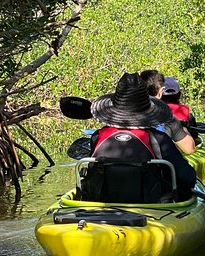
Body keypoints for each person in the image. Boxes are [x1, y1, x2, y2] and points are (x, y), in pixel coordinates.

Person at [82, 72, 197, 202]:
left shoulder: (97, 136)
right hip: (149, 205)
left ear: (114, 108)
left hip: (102, 204)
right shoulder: (159, 139)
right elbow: (187, 178)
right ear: (147, 111)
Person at [140, 70, 196, 154]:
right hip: (159, 162)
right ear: (160, 92)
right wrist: (184, 129)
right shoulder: (168, 118)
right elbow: (190, 149)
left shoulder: (123, 113)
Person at [160, 76, 200, 140]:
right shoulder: (188, 116)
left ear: (160, 94)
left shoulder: (155, 111)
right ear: (179, 94)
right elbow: (194, 135)